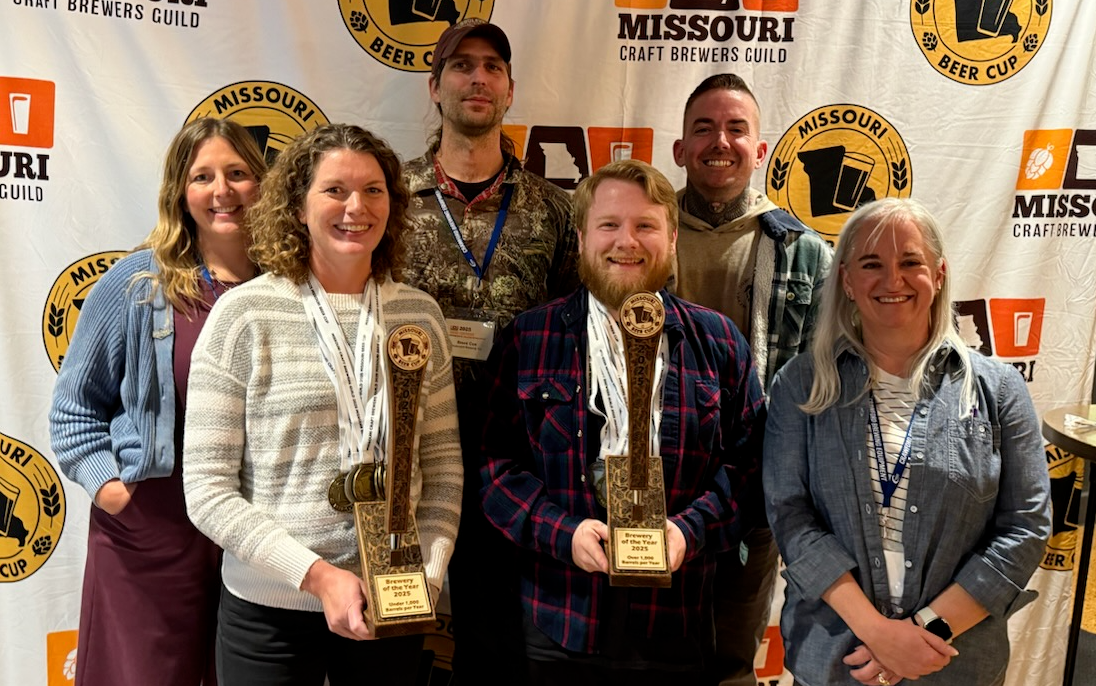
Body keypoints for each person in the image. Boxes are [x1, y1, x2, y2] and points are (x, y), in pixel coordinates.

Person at [182, 123, 462, 686]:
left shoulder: (419, 316)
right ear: (298, 207)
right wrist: (317, 577)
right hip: (271, 611)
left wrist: (424, 576)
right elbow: (207, 490)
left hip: (392, 600)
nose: (356, 207)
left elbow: (442, 471)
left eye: (373, 190)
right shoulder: (244, 316)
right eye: (335, 190)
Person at [479, 159, 766, 685]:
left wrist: (689, 532)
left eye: (645, 226)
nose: (626, 242)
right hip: (556, 624)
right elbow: (494, 468)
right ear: (582, 238)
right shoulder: (529, 338)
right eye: (609, 224)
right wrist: (563, 533)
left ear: (672, 238)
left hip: (676, 627)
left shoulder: (719, 342)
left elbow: (749, 470)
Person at [763, 198, 1051, 686]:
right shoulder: (800, 385)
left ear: (938, 275)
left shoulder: (1000, 390)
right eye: (871, 264)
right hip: (835, 660)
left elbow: (1025, 527)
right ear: (847, 281)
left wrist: (925, 631)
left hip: (954, 662)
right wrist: (880, 634)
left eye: (910, 262)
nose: (892, 280)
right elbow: (791, 517)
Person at [49, 117, 267, 686]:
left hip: (254, 533)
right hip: (151, 531)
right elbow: (74, 409)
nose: (222, 191)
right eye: (203, 176)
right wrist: (112, 489)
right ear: (179, 191)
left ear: (262, 183)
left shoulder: (287, 288)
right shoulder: (137, 284)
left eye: (237, 173)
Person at [400, 17, 579, 682]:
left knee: (499, 641)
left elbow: (572, 332)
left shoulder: (553, 210)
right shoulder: (387, 198)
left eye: (492, 67)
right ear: (435, 87)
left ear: (509, 91)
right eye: (461, 65)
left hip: (514, 456)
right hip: (406, 449)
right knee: (392, 630)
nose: (477, 78)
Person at [671, 72, 833, 686]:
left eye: (736, 129)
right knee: (644, 653)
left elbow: (821, 381)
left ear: (760, 149)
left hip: (751, 489)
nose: (720, 141)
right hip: (651, 483)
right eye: (704, 128)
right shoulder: (641, 234)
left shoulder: (804, 253)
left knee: (733, 658)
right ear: (680, 149)